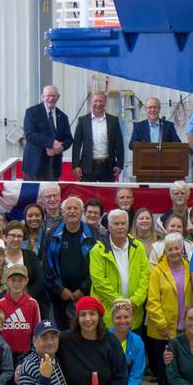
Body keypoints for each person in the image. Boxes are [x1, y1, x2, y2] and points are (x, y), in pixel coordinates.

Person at [145, 233, 192, 385]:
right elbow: (152, 301)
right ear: (165, 251)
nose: (174, 252)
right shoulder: (157, 271)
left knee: (181, 370)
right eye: (170, 249)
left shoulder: (189, 267)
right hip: (161, 331)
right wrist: (162, 325)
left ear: (182, 249)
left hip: (184, 329)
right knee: (165, 372)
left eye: (177, 248)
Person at [88, 209, 149, 325]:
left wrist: (135, 301)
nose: (120, 227)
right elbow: (99, 282)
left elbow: (145, 275)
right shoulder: (97, 251)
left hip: (134, 314)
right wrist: (122, 304)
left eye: (123, 223)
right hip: (108, 316)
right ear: (109, 227)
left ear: (128, 225)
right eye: (116, 224)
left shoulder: (138, 247)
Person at [44, 196, 97, 328]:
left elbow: (97, 266)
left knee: (85, 331)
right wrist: (60, 290)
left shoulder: (93, 235)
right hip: (59, 296)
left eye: (75, 208)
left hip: (86, 294)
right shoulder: (52, 234)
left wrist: (83, 289)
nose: (72, 211)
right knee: (62, 333)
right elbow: (46, 265)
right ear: (62, 212)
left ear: (82, 212)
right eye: (68, 208)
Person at [22, 85, 74, 181]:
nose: (51, 98)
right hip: (34, 165)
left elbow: (69, 139)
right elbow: (30, 135)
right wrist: (51, 143)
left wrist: (59, 149)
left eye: (54, 96)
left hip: (54, 165)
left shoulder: (63, 116)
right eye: (48, 96)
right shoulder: (31, 112)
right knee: (32, 195)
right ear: (42, 96)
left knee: (52, 194)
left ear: (58, 97)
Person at [71, 91, 125, 182]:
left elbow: (119, 144)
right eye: (96, 101)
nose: (98, 104)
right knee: (87, 195)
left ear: (105, 102)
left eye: (101, 101)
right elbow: (76, 145)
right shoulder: (83, 121)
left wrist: (119, 164)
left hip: (108, 167)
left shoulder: (114, 121)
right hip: (87, 167)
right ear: (91, 102)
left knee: (107, 195)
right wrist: (76, 166)